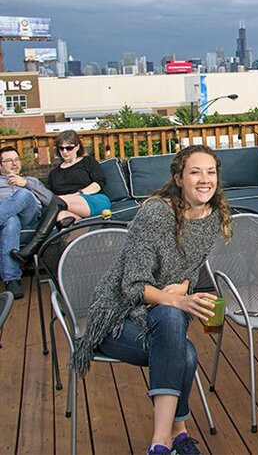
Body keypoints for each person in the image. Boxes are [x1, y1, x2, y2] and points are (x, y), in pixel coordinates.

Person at [70, 145, 232, 455]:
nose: (204, 179)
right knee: (182, 352)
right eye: (195, 172)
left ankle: (161, 444)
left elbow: (192, 271)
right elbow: (133, 286)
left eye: (210, 172)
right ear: (178, 178)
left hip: (161, 318)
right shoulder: (156, 213)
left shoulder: (215, 215)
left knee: (170, 320)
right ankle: (176, 433)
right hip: (118, 318)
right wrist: (176, 299)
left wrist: (182, 287)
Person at [12, 130, 111, 262]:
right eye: (61, 148)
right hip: (66, 207)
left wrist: (78, 194)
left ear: (77, 147)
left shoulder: (87, 162)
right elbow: (52, 198)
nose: (65, 152)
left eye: (69, 148)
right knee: (62, 218)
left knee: (59, 201)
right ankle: (72, 263)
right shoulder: (55, 173)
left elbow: (99, 183)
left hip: (93, 200)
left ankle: (33, 248)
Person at [0, 146, 66, 298]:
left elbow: (52, 201)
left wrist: (25, 183)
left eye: (16, 159)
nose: (14, 164)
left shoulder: (31, 181)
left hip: (29, 217)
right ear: (1, 165)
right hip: (7, 221)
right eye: (8, 161)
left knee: (23, 194)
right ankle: (12, 281)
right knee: (11, 221)